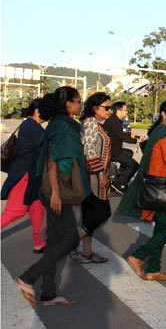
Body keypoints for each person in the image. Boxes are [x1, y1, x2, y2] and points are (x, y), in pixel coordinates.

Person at [16, 86, 91, 306]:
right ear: (68, 104)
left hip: (58, 188)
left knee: (54, 241)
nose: (80, 104)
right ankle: (27, 278)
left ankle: (48, 292)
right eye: (77, 101)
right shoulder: (63, 127)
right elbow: (52, 159)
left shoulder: (62, 125)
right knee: (70, 239)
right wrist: (56, 194)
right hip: (59, 189)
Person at [118, 100, 166, 281]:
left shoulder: (158, 130)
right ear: (164, 114)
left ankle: (154, 268)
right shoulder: (164, 133)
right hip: (161, 187)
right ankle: (138, 255)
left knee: (161, 228)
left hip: (153, 185)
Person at [70, 92, 112, 263]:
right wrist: (101, 174)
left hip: (94, 174)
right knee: (102, 212)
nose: (109, 111)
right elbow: (89, 151)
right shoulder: (91, 123)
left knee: (89, 215)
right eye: (106, 108)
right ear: (95, 108)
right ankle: (72, 243)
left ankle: (87, 251)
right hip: (92, 175)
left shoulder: (97, 124)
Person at [1, 99, 47, 253]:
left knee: (37, 208)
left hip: (32, 174)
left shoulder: (31, 125)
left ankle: (39, 241)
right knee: (16, 211)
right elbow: (44, 149)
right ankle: (39, 241)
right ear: (36, 111)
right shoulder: (33, 127)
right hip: (25, 174)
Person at [103, 101, 144, 193]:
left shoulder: (115, 120)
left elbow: (120, 134)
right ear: (118, 111)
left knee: (129, 153)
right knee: (134, 165)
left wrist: (132, 135)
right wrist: (136, 140)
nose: (126, 112)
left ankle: (118, 178)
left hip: (115, 149)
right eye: (125, 110)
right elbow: (121, 136)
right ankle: (119, 183)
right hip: (113, 151)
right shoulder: (114, 122)